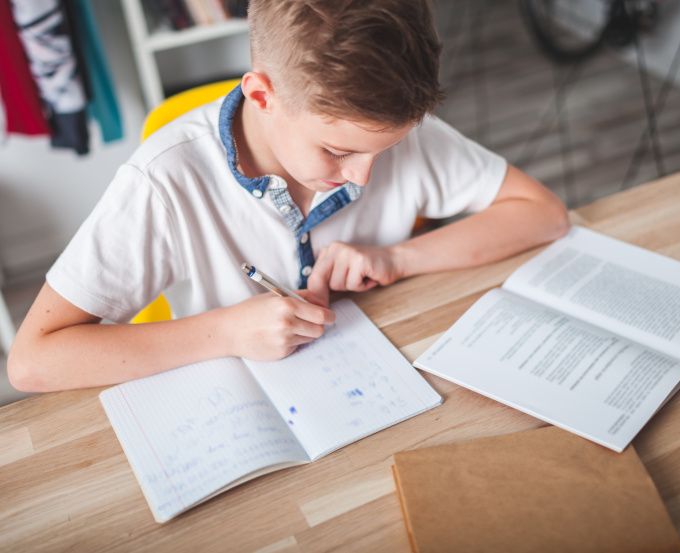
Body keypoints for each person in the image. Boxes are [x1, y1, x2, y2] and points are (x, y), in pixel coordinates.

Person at [8, 0, 569, 392]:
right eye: (338, 151)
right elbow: (33, 361)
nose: (363, 177)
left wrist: (398, 258)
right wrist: (228, 331)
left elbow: (542, 214)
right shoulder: (165, 181)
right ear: (262, 96)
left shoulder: (386, 130)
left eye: (388, 149)